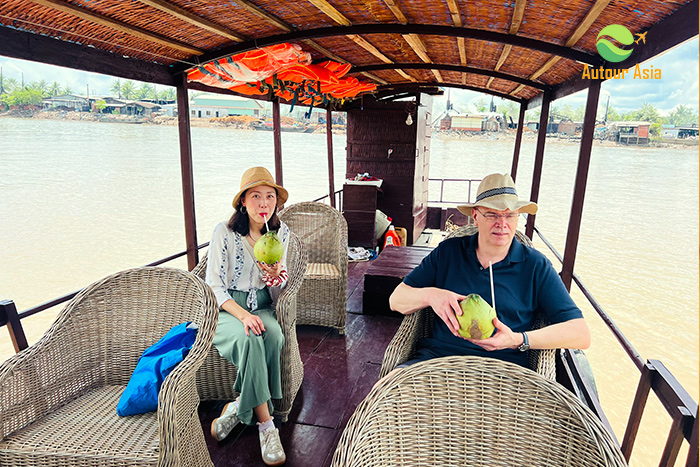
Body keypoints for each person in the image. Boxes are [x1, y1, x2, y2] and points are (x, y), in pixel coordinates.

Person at [385, 173, 590, 378]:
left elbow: (580, 334)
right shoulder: (449, 252)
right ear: (475, 217)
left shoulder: (535, 265)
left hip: (504, 373)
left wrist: (518, 339)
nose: (502, 223)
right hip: (438, 362)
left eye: (510, 215)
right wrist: (431, 296)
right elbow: (396, 300)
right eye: (492, 214)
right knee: (383, 392)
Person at [205, 166, 290, 466]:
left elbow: (281, 288)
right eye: (255, 196)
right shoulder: (224, 233)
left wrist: (275, 276)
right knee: (253, 338)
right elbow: (213, 286)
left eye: (269, 197)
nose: (263, 204)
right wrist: (242, 316)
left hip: (263, 304)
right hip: (227, 308)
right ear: (243, 201)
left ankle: (239, 408)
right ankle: (267, 427)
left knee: (275, 335)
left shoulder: (280, 234)